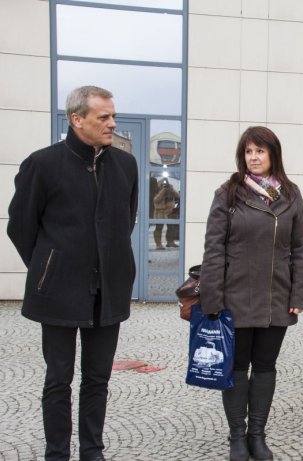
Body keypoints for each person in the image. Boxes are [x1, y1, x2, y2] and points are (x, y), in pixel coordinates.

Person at [7, 86, 138, 461]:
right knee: (58, 380)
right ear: (76, 119)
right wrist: (51, 265)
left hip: (108, 291)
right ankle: (57, 454)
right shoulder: (42, 164)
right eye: (104, 117)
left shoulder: (125, 165)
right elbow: (20, 227)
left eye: (113, 115)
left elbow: (125, 221)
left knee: (98, 378)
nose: (112, 123)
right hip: (59, 292)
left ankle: (92, 451)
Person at [200, 126, 303, 461]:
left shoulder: (290, 194)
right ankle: (237, 436)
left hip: (276, 297)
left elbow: (301, 247)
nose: (254, 157)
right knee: (235, 367)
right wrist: (212, 297)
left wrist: (299, 295)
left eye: (260, 151)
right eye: (249, 151)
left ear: (272, 154)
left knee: (265, 366)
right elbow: (214, 248)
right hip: (235, 296)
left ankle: (257, 435)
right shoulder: (228, 193)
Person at [152, 178, 180, 249]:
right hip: (160, 212)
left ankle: (170, 242)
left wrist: (171, 189)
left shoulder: (170, 189)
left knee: (171, 228)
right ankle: (158, 244)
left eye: (166, 184)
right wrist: (163, 190)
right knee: (159, 228)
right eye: (163, 184)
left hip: (169, 212)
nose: (165, 185)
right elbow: (156, 200)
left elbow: (178, 196)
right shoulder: (157, 189)